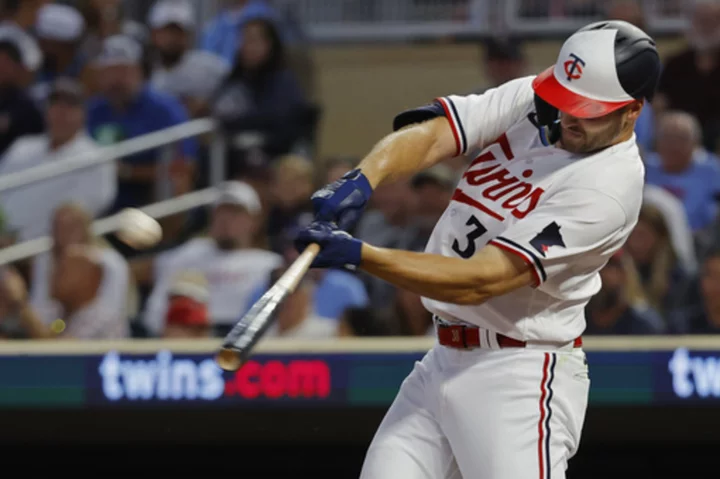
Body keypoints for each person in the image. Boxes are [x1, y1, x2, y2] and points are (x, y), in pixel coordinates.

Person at [294, 20, 661, 478]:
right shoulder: (538, 97)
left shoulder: (607, 187)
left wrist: (360, 255)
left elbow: (481, 280)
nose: (568, 117)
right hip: (442, 358)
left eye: (587, 110)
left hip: (520, 374)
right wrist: (363, 178)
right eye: (566, 100)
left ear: (633, 111)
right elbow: (436, 132)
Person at [139, 181, 282, 337]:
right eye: (221, 211)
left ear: (253, 220)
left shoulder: (269, 264)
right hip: (186, 336)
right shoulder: (187, 253)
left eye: (235, 212)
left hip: (243, 340)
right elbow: (155, 307)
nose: (226, 219)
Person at [87, 34, 196, 211]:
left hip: (148, 197)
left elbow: (185, 166)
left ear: (140, 72)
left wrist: (129, 172)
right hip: (100, 196)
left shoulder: (165, 109)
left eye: (123, 72)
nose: (116, 81)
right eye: (110, 73)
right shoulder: (94, 110)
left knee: (176, 184)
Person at [0, 78, 116, 242]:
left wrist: (19, 239)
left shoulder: (97, 159)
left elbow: (76, 216)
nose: (61, 112)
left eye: (70, 105)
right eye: (55, 104)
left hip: (47, 250)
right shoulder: (23, 146)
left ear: (83, 113)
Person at [147, 0, 229, 118]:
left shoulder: (212, 67)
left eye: (178, 32)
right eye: (167, 32)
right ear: (154, 34)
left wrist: (208, 105)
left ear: (189, 35)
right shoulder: (145, 74)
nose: (172, 39)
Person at [643, 111, 720, 232]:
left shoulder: (712, 170)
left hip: (700, 241)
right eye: (667, 138)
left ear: (696, 143)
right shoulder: (644, 168)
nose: (673, 145)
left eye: (681, 139)